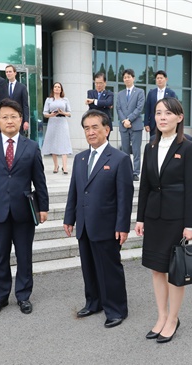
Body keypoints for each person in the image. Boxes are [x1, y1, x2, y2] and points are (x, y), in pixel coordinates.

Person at [0, 99, 49, 316]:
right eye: (5, 117)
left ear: (21, 120)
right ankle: (0, 296)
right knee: (0, 256)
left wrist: (43, 207)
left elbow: (39, 179)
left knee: (24, 256)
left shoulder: (31, 146)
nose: (9, 121)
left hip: (24, 210)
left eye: (13, 116)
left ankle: (23, 296)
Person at [135, 98, 192, 343]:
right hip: (153, 217)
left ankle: (173, 318)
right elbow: (145, 186)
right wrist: (140, 218)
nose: (162, 117)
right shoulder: (150, 146)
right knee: (156, 269)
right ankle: (161, 316)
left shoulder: (187, 147)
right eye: (158, 113)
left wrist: (190, 224)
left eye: (168, 113)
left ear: (179, 117)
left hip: (176, 218)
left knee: (174, 271)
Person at [63, 109, 134, 329]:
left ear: (107, 129)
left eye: (95, 127)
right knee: (89, 267)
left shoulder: (120, 159)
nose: (91, 132)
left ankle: (116, 309)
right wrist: (69, 218)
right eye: (86, 128)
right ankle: (93, 302)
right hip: (84, 223)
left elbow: (125, 196)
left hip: (107, 225)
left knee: (109, 269)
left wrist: (122, 226)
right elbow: (74, 190)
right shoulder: (81, 158)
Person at [116, 68, 145, 181]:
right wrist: (124, 121)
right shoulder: (120, 94)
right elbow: (118, 109)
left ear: (133, 78)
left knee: (136, 150)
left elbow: (139, 108)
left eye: (129, 77)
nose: (126, 79)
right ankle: (126, 171)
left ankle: (136, 172)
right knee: (125, 150)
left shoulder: (140, 92)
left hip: (136, 125)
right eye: (125, 77)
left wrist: (129, 119)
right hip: (124, 126)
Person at [41, 82, 72, 174]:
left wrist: (63, 112)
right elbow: (45, 113)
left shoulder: (65, 100)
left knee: (64, 142)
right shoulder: (49, 100)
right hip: (53, 121)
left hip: (62, 122)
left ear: (61, 89)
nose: (57, 88)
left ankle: (65, 166)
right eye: (55, 87)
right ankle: (56, 165)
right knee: (53, 142)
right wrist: (51, 114)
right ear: (53, 89)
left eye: (59, 87)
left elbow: (69, 113)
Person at [144, 70, 177, 136]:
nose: (159, 80)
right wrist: (146, 123)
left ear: (166, 79)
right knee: (153, 143)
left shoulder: (171, 93)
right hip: (153, 124)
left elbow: (174, 109)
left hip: (167, 123)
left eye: (161, 78)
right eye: (157, 78)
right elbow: (147, 109)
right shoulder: (151, 93)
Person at [85, 72, 114, 138]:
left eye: (100, 83)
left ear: (105, 83)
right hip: (92, 123)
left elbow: (108, 103)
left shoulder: (109, 94)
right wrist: (104, 104)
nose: (98, 85)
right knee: (93, 143)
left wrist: (94, 101)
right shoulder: (90, 93)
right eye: (96, 83)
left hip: (105, 122)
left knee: (105, 144)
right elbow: (92, 106)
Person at [5, 65, 30, 134]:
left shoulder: (22, 87)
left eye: (10, 72)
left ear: (15, 73)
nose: (8, 73)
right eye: (6, 72)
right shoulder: (4, 87)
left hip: (18, 118)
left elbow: (25, 105)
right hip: (6, 118)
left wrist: (26, 121)